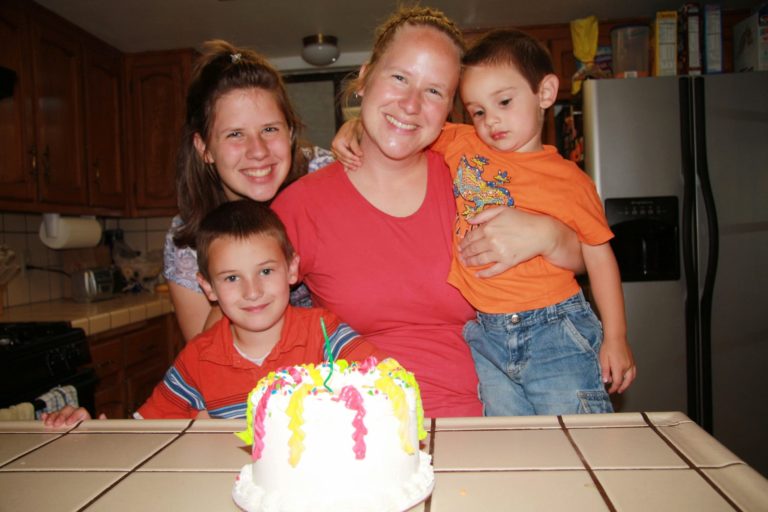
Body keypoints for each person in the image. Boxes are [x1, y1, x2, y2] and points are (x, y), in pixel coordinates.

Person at [272, 7, 584, 418]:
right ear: (364, 78)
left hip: (496, 426)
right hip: (361, 440)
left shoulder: (478, 176)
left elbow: (582, 258)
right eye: (399, 78)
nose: (410, 104)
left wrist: (550, 236)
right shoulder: (301, 206)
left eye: (434, 91)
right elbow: (238, 313)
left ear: (451, 109)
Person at [336, 29, 636, 416]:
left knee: (575, 442)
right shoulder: (464, 143)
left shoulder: (570, 180)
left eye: (505, 102)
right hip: (487, 335)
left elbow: (599, 257)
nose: (491, 121)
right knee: (508, 448)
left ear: (544, 93)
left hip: (555, 328)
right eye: (477, 111)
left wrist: (616, 337)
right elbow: (401, 125)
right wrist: (356, 126)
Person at [42, 200, 381, 425]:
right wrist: (94, 433)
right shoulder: (199, 360)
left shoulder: (326, 335)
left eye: (265, 271)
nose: (252, 291)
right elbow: (145, 434)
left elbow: (386, 386)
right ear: (208, 288)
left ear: (291, 270)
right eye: (232, 278)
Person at [164, 39, 334, 341]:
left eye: (270, 129)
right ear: (205, 148)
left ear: (290, 132)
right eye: (235, 134)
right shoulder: (187, 242)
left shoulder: (325, 175)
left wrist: (358, 130)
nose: (258, 151)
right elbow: (206, 359)